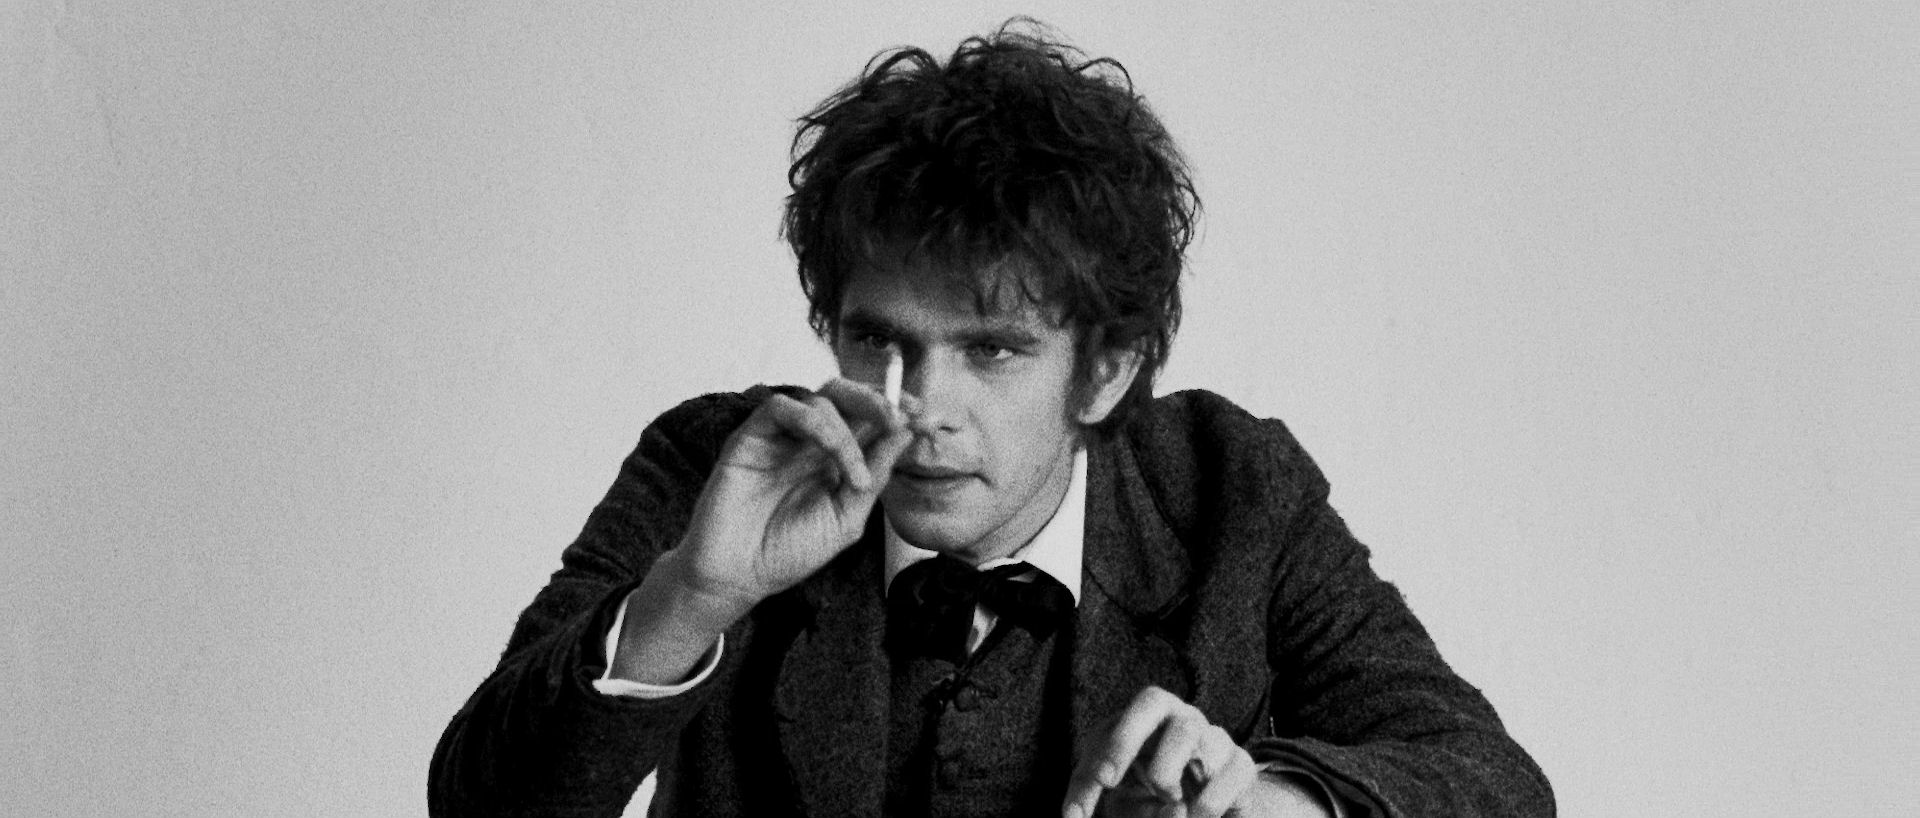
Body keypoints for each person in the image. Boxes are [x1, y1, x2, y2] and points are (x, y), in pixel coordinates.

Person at [430, 21, 1553, 818]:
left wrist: (1258, 801)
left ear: (1105, 371)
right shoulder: (719, 463)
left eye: (993, 349)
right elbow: (476, 801)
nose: (922, 408)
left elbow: (1494, 784)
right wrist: (689, 600)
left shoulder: (1231, 487)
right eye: (879, 340)